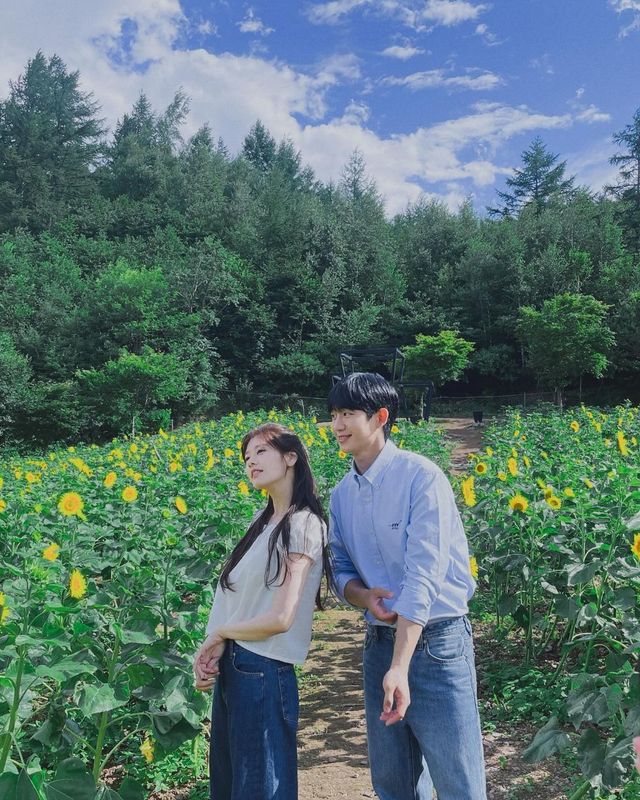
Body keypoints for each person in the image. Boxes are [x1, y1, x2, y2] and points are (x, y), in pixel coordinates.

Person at [328, 372, 487, 800]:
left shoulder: (421, 477)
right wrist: (363, 596)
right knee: (394, 782)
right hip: (380, 642)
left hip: (437, 644)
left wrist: (399, 667)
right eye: (334, 414)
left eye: (348, 414)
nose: (337, 425)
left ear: (380, 417)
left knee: (458, 782)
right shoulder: (341, 495)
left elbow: (424, 574)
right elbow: (339, 566)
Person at [193, 422, 330, 800]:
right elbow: (241, 602)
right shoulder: (261, 522)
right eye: (246, 456)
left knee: (259, 789)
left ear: (291, 457)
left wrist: (221, 633)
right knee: (230, 785)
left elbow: (281, 618)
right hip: (237, 665)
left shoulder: (303, 524)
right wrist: (215, 648)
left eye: (261, 452)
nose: (250, 461)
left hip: (263, 669)